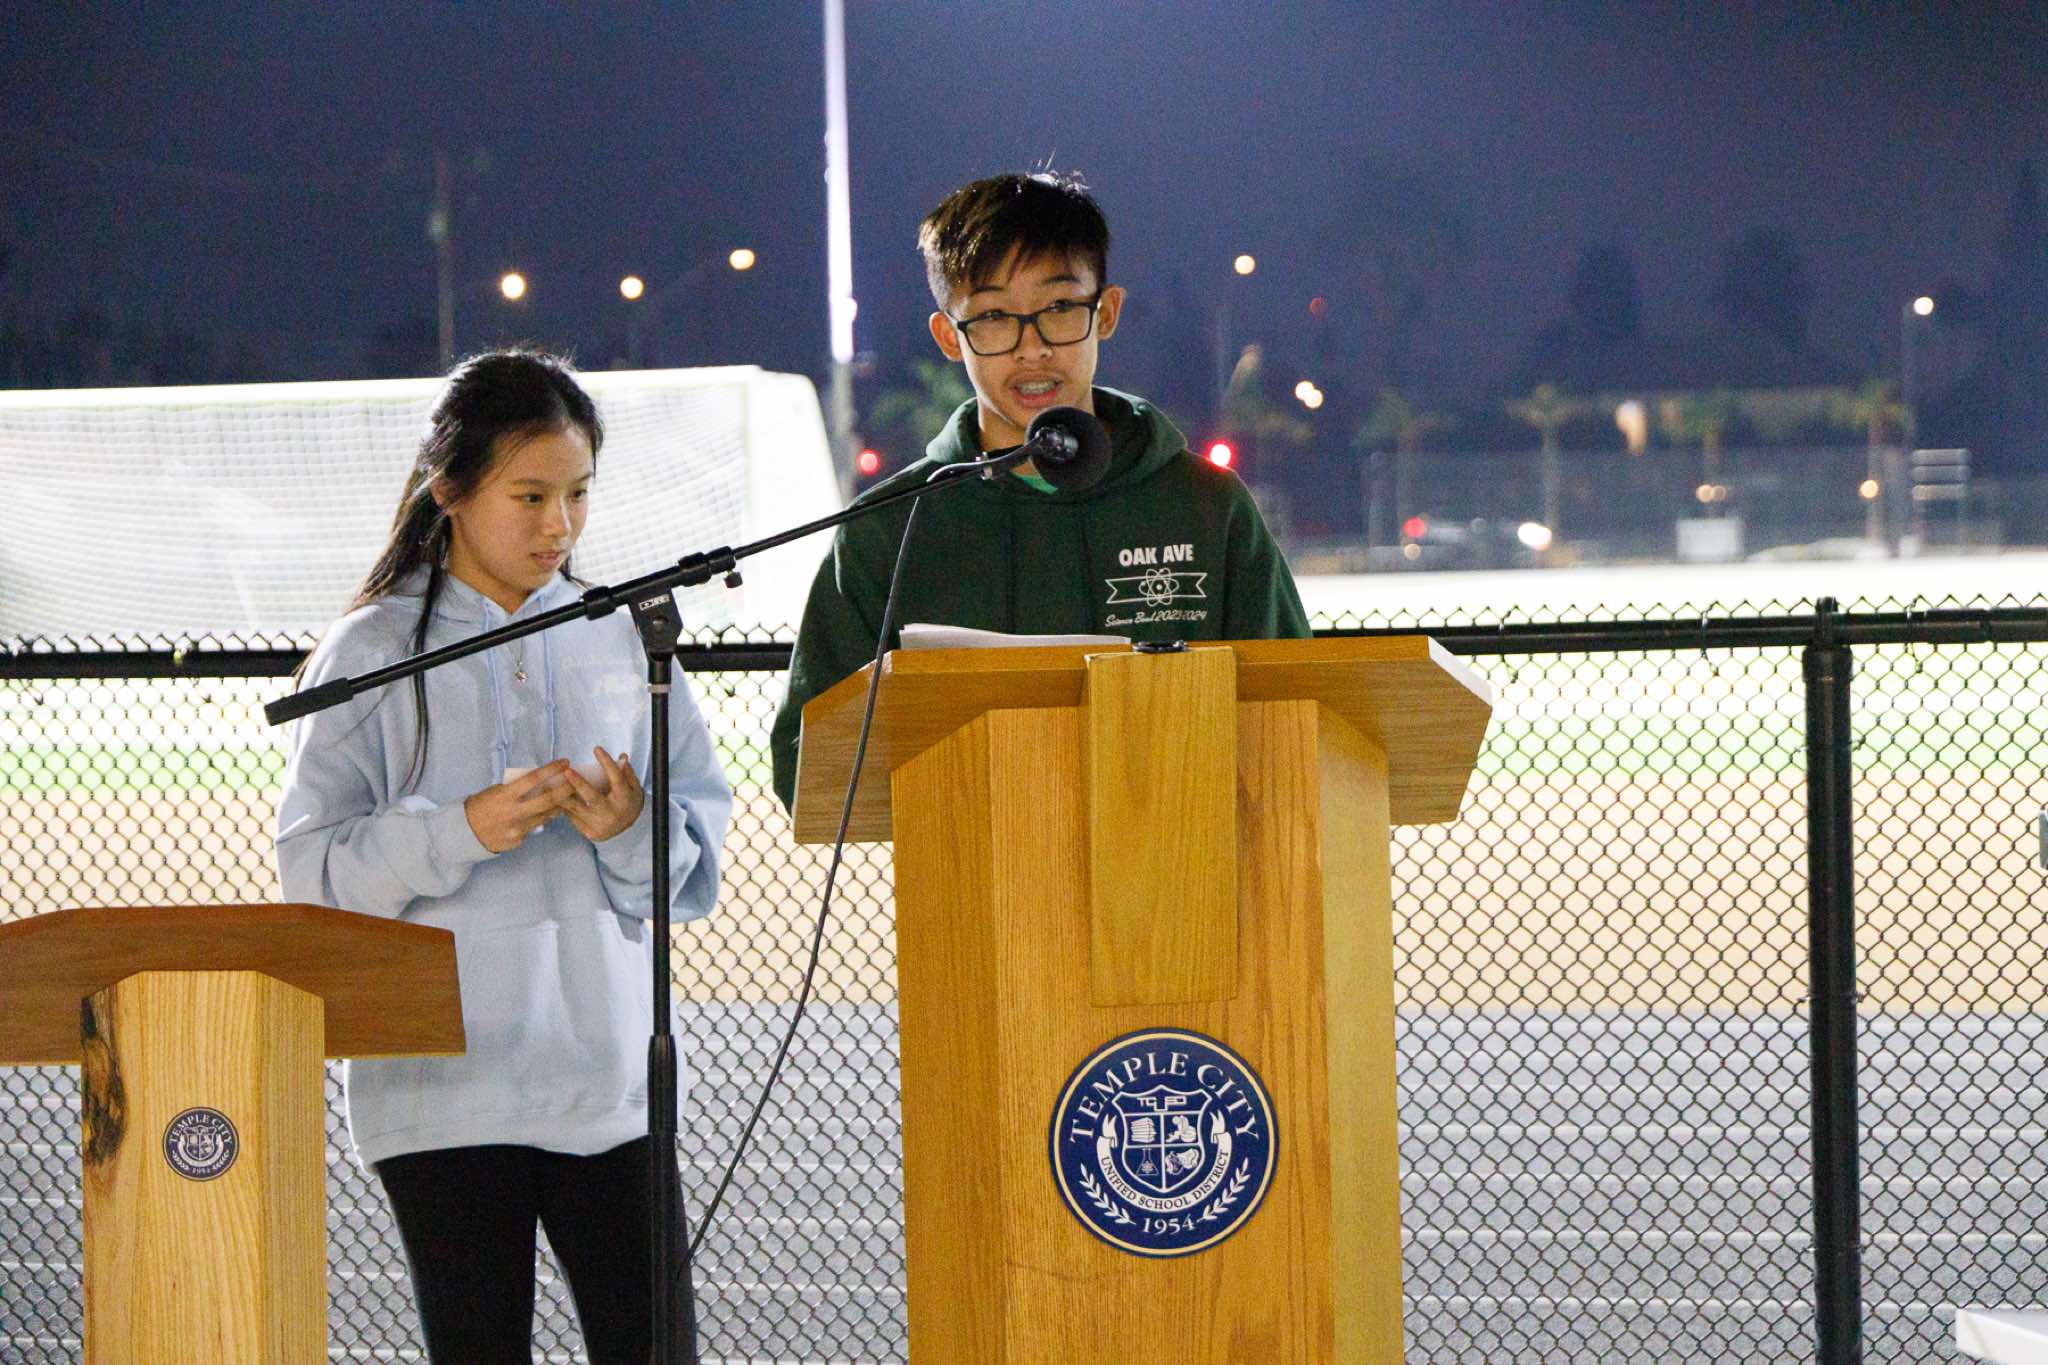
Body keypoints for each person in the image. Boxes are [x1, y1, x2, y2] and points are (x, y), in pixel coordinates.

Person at [276, 349, 731, 1364]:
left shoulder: (627, 637)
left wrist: (629, 832)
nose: (558, 525)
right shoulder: (369, 650)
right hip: (441, 1094)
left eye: (578, 493)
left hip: (609, 1086)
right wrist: (458, 831)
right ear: (449, 491)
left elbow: (692, 869)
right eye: (529, 496)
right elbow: (311, 875)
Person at [770, 170, 1311, 810]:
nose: (1032, 349)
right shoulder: (889, 527)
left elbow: (1298, 721)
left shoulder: (1205, 505)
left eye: (1058, 309)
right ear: (949, 336)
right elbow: (805, 767)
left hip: (1187, 861)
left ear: (1105, 312)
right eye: (993, 317)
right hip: (971, 868)